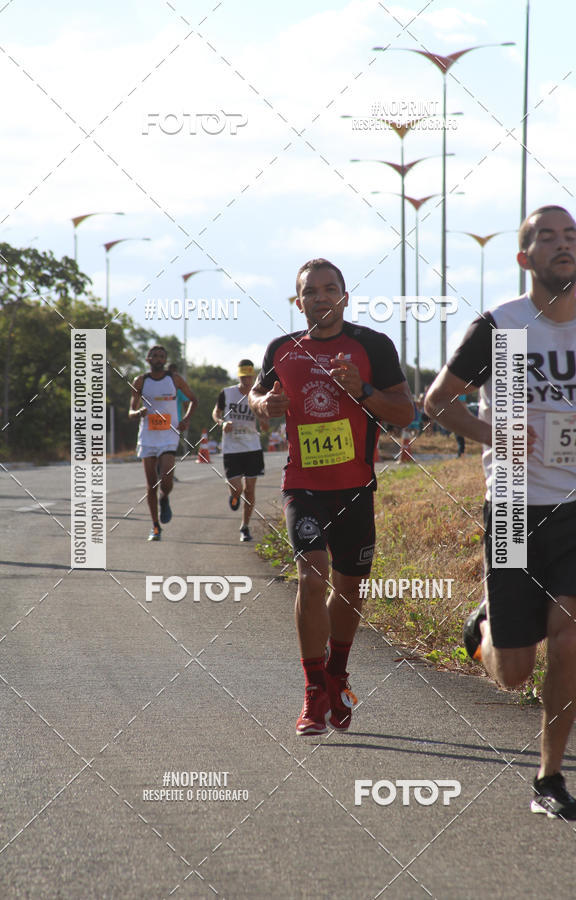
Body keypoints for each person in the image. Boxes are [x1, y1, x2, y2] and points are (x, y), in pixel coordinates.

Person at [425, 206, 576, 820]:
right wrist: (494, 429)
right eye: (545, 238)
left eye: (571, 237)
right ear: (525, 259)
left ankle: (550, 779)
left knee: (571, 634)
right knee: (514, 675)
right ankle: (487, 630)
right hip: (513, 506)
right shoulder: (501, 327)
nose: (562, 245)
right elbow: (437, 402)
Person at [249, 258, 414, 736]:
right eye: (311, 291)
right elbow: (257, 401)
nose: (321, 297)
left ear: (344, 296)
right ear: (297, 301)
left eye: (330, 289)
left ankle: (337, 671)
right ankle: (313, 688)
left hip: (355, 487)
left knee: (349, 586)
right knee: (312, 573)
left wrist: (361, 391)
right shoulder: (282, 349)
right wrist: (266, 405)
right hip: (303, 486)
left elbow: (403, 412)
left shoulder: (372, 346)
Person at [130, 346, 197, 541]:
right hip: (148, 437)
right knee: (151, 484)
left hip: (169, 435)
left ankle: (165, 497)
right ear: (148, 359)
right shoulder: (140, 381)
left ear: (165, 360)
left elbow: (194, 400)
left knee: (166, 478)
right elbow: (130, 411)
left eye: (162, 356)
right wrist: (138, 413)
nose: (158, 359)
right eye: (155, 356)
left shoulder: (174, 379)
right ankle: (155, 527)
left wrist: (185, 420)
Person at [212, 360, 268, 542]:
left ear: (253, 377)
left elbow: (265, 426)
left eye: (249, 377)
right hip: (231, 447)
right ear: (239, 377)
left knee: (250, 490)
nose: (246, 381)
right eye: (243, 377)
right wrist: (222, 423)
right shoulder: (227, 393)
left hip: (252, 447)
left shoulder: (258, 395)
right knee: (238, 488)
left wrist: (263, 420)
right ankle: (234, 495)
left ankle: (245, 526)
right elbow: (216, 413)